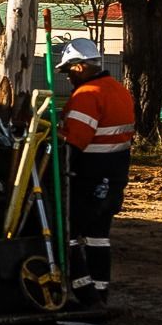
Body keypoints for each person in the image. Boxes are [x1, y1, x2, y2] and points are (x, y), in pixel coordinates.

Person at [58, 36, 135, 306]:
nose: (68, 78)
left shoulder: (87, 96)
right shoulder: (119, 90)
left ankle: (85, 293)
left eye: (68, 71)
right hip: (114, 177)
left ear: (79, 67)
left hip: (89, 179)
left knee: (66, 233)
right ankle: (101, 293)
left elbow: (73, 144)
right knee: (98, 238)